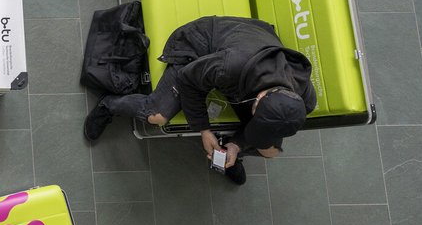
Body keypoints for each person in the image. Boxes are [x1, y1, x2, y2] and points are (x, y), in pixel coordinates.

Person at [84, 16, 316, 185]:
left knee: (270, 152)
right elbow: (188, 81)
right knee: (157, 116)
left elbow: (270, 129)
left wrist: (236, 145)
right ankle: (109, 104)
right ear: (261, 97)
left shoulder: (304, 99)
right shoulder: (228, 67)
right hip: (198, 48)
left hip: (246, 67)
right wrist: (204, 129)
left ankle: (228, 156)